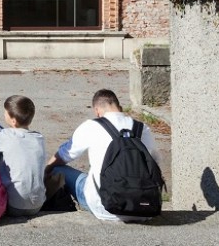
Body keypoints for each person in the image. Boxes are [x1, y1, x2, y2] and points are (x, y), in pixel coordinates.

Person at [45, 89, 159, 222]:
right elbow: (155, 163)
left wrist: (46, 169)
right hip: (143, 207)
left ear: (97, 111)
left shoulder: (91, 126)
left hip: (104, 207)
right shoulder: (142, 128)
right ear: (120, 108)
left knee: (58, 169)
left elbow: (64, 156)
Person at [0, 95, 46, 216]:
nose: (4, 115)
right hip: (37, 205)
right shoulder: (39, 138)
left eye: (5, 113)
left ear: (13, 120)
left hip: (13, 205)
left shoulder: (3, 136)